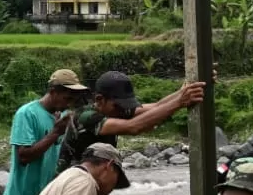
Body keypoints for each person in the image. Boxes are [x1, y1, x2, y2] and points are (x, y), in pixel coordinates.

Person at [57, 69, 206, 173]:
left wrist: (185, 92)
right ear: (99, 100)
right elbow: (133, 127)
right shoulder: (85, 117)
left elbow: (157, 106)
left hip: (90, 180)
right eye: (119, 106)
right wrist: (180, 102)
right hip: (68, 184)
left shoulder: (115, 109)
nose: (123, 111)